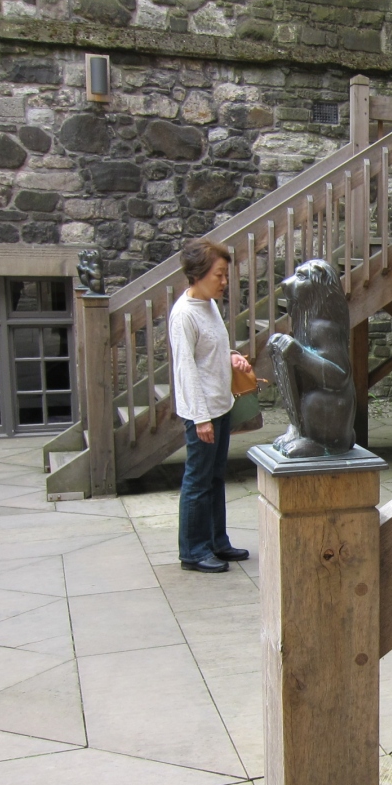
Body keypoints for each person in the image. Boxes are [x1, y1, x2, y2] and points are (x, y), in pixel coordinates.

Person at [170, 239, 254, 573]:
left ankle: (217, 541)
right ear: (199, 273)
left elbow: (211, 349)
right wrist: (200, 419)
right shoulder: (184, 315)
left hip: (220, 406)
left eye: (224, 275)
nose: (223, 281)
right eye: (219, 275)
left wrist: (231, 357)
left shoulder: (209, 305)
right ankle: (193, 551)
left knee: (215, 478)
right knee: (197, 481)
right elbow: (186, 370)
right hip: (202, 413)